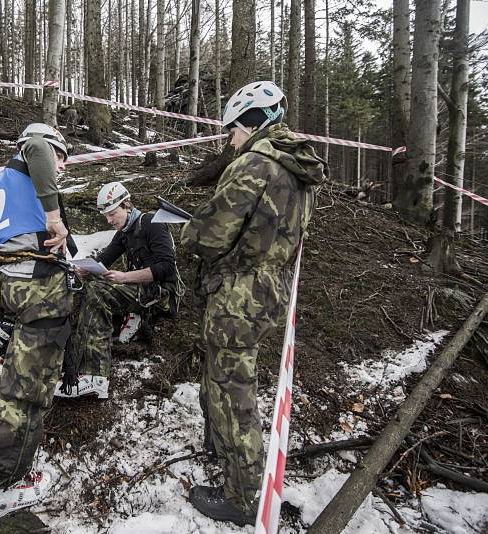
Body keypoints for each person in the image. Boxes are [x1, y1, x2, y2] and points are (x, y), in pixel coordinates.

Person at [180, 81, 326, 526]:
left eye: (233, 131)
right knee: (229, 375)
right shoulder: (298, 169)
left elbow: (210, 234)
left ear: (252, 123)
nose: (230, 140)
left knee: (233, 391)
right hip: (270, 289)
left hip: (238, 295)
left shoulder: (254, 164)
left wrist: (189, 232)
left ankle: (243, 498)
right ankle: (223, 449)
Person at [0, 123, 75, 522]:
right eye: (62, 157)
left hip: (13, 284)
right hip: (36, 289)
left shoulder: (1, 183)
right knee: (26, 393)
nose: (63, 167)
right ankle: (4, 482)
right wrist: (54, 219)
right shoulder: (31, 158)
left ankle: (5, 466)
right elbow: (35, 144)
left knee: (21, 381)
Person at [54, 181, 183, 399]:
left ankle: (96, 378)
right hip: (140, 289)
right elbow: (104, 260)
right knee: (90, 288)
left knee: (98, 294)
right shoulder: (125, 232)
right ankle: (76, 366)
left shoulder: (151, 222)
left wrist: (125, 277)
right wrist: (85, 269)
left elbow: (166, 267)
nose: (109, 220)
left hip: (160, 293)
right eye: (106, 216)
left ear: (127, 206)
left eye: (112, 213)